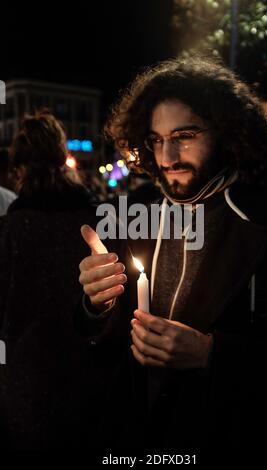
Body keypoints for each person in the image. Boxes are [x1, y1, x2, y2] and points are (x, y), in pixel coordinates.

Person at [76, 56, 267, 451]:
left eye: (185, 135)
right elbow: (99, 343)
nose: (167, 157)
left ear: (227, 133)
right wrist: (96, 303)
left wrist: (213, 356)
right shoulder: (135, 214)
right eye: (157, 139)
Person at [0, 111, 100, 448]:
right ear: (61, 156)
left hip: (24, 367)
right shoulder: (91, 213)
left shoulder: (14, 224)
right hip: (84, 364)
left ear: (19, 165)